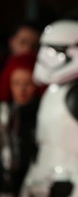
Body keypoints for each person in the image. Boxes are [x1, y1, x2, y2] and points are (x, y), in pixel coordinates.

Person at [20, 20, 78, 197]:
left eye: (54, 50)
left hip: (71, 184)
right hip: (41, 183)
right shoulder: (52, 92)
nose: (44, 56)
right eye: (44, 48)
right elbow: (41, 151)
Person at [0, 54, 40, 197]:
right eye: (16, 83)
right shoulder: (5, 112)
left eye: (28, 83)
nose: (21, 90)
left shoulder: (42, 114)